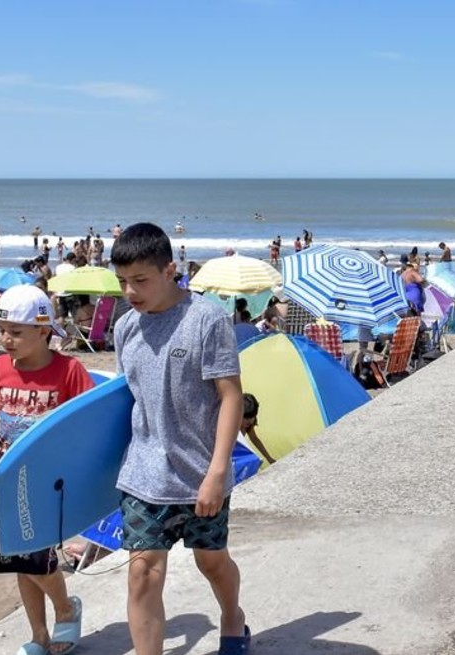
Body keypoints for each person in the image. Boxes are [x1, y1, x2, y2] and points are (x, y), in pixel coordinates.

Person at [109, 223, 251, 655]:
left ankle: (233, 616)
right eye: (122, 283)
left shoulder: (205, 320)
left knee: (212, 562)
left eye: (140, 280)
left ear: (170, 270)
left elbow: (231, 397)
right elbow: (126, 402)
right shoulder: (125, 328)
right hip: (144, 474)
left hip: (200, 471)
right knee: (142, 572)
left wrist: (217, 472)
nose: (130, 292)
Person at [0, 284, 94, 655]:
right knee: (18, 561)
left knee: (37, 557)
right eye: (2, 330)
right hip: (7, 474)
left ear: (44, 331)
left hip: (48, 479)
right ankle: (39, 635)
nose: (5, 339)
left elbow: (88, 419)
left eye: (16, 332)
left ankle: (67, 610)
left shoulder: (68, 370)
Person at [239, 393, 274, 464]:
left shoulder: (248, 424)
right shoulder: (231, 424)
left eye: (253, 417)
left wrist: (269, 458)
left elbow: (254, 439)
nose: (250, 420)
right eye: (246, 418)